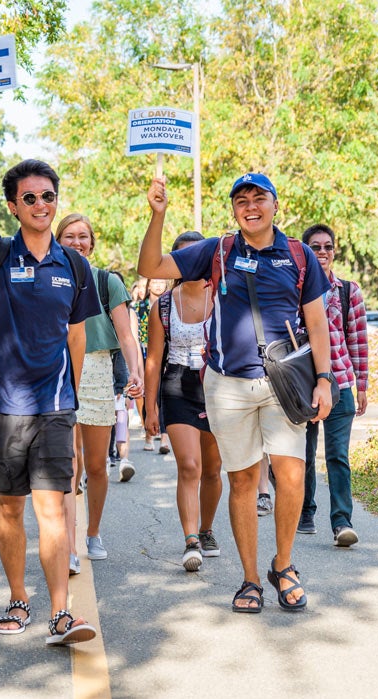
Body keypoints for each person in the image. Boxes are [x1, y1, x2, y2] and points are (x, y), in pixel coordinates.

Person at [138, 173, 332, 613]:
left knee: (291, 475)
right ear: (234, 210)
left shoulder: (300, 256)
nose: (250, 206)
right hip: (226, 385)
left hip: (285, 384)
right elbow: (151, 267)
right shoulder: (218, 251)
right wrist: (158, 214)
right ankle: (249, 579)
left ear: (275, 204)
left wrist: (325, 379)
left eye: (258, 198)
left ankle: (283, 566)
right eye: (241, 200)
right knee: (242, 481)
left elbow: (317, 325)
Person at [0, 118, 100, 646]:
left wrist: (69, 396)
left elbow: (76, 337)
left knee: (52, 506)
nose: (40, 203)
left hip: (53, 405)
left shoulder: (73, 266)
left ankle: (61, 612)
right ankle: (17, 598)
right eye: (29, 197)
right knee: (9, 507)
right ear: (13, 205)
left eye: (48, 195)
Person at [55, 214, 143, 567]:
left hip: (97, 369)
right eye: (69, 236)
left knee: (95, 464)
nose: (76, 242)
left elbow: (126, 335)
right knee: (67, 463)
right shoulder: (48, 278)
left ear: (91, 243)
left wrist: (136, 371)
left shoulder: (107, 283)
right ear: (57, 240)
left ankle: (92, 532)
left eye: (83, 237)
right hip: (57, 369)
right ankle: (69, 545)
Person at [143, 231, 223, 572]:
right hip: (177, 384)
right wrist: (150, 407)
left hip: (217, 384)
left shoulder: (222, 297)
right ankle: (191, 539)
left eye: (197, 256)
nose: (190, 263)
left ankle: (206, 529)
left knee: (213, 468)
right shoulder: (162, 305)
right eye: (182, 257)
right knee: (189, 465)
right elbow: (153, 359)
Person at [300, 223, 368, 546]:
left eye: (328, 247)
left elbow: (358, 340)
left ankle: (342, 522)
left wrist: (363, 385)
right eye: (316, 247)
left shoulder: (347, 290)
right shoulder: (296, 288)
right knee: (304, 453)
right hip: (303, 385)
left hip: (339, 384)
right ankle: (304, 511)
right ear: (306, 252)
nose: (323, 252)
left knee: (337, 456)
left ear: (334, 251)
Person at [133, 278, 171, 454]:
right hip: (144, 353)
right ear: (148, 285)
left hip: (167, 355)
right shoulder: (138, 308)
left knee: (163, 395)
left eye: (161, 282)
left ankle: (164, 437)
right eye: (154, 282)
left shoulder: (171, 305)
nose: (157, 285)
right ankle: (149, 434)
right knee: (149, 394)